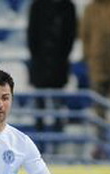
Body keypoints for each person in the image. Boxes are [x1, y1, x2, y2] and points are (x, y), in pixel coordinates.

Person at [26, 0, 77, 133]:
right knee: (40, 105)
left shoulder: (68, 7)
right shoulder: (37, 6)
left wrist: (62, 56)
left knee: (57, 103)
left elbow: (70, 36)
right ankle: (39, 139)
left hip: (58, 63)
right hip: (41, 63)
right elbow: (32, 36)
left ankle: (57, 135)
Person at [80, 0, 110, 119]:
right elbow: (85, 35)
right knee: (98, 107)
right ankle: (100, 136)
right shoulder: (90, 9)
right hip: (97, 65)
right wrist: (90, 57)